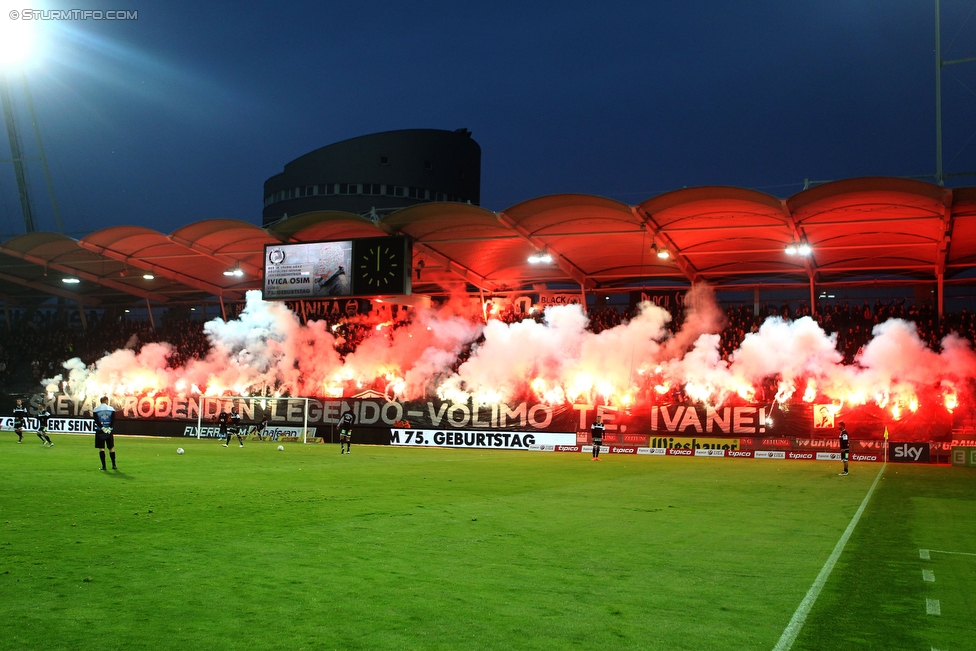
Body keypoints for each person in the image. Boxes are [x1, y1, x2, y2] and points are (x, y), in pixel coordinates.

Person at [92, 396, 117, 471]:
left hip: (100, 430)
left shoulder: (96, 409)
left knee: (101, 448)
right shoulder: (111, 409)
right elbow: (113, 419)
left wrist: (102, 428)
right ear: (106, 400)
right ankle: (114, 465)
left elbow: (96, 420)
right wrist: (109, 428)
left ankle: (104, 466)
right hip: (109, 431)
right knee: (111, 448)